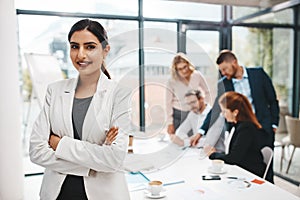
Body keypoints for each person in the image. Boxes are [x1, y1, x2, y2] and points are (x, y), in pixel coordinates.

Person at [29, 19, 132, 200]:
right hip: (58, 193)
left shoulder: (119, 94)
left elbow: (115, 159)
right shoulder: (55, 91)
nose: (81, 55)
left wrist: (60, 144)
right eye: (75, 46)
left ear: (105, 50)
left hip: (104, 194)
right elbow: (36, 151)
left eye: (90, 47)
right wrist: (92, 164)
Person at [190, 49, 279, 183]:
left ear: (234, 62)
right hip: (241, 128)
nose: (223, 73)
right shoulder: (224, 83)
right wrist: (200, 132)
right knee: (243, 161)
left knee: (264, 168)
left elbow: (272, 100)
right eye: (221, 71)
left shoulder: (258, 74)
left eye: (225, 68)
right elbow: (216, 110)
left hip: (264, 128)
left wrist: (273, 124)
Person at [208, 91, 266, 179]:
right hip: (239, 169)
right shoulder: (236, 125)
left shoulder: (246, 129)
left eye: (224, 111)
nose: (223, 115)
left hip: (249, 173)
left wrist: (213, 154)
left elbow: (233, 158)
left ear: (235, 112)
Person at [165, 52, 210, 135]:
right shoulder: (171, 81)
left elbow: (207, 92)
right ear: (176, 70)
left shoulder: (197, 75)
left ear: (188, 64)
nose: (184, 70)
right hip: (178, 114)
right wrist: (169, 122)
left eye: (185, 67)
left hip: (194, 112)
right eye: (180, 69)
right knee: (179, 140)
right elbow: (168, 103)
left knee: (195, 140)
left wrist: (204, 107)